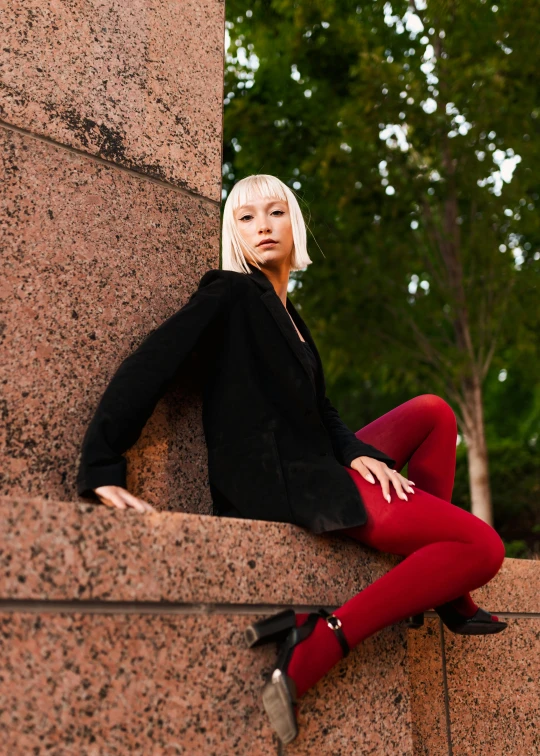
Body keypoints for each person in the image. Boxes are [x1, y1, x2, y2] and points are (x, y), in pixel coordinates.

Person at [76, 174, 507, 746]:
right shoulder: (229, 293)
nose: (262, 227)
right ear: (232, 231)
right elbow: (150, 363)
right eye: (246, 217)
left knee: (433, 413)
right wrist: (103, 464)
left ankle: (443, 590)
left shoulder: (290, 316)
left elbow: (323, 411)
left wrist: (354, 452)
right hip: (282, 479)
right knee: (482, 546)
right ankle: (321, 638)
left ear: (293, 222)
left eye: (274, 212)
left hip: (318, 461)